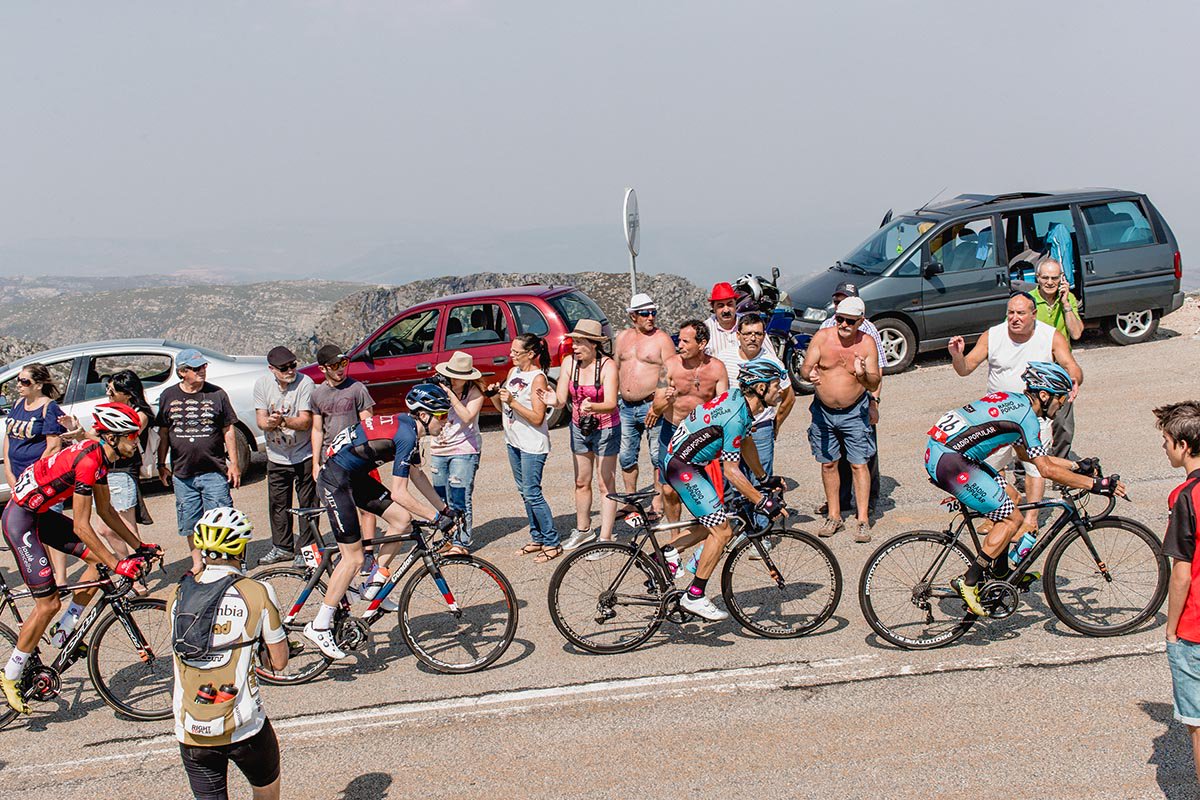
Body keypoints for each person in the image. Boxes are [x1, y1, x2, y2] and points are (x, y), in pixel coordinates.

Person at [926, 362, 1123, 616]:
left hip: (949, 454)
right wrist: (1096, 484)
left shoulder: (1015, 403)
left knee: (1013, 497)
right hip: (951, 461)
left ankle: (999, 571)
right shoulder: (1026, 418)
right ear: (1044, 395)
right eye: (1060, 400)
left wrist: (1076, 465)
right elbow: (1046, 471)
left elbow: (1028, 455)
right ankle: (969, 581)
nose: (1061, 406)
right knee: (1012, 518)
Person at [0, 403, 153, 714]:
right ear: (112, 437)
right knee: (49, 603)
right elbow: (83, 526)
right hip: (21, 520)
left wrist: (140, 546)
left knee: (97, 564)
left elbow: (107, 512)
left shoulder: (101, 458)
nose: (136, 441)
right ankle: (11, 675)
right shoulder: (88, 461)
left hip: (40, 515)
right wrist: (118, 562)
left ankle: (64, 631)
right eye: (132, 436)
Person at [306, 385, 456, 659]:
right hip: (336, 481)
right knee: (351, 559)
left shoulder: (409, 428)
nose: (445, 421)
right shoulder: (407, 434)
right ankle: (320, 624)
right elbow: (399, 492)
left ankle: (374, 582)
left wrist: (444, 509)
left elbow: (417, 476)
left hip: (353, 476)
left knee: (401, 519)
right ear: (424, 415)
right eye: (442, 415)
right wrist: (435, 518)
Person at [171, 507, 289, 800]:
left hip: (192, 731)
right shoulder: (257, 591)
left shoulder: (177, 594)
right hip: (244, 728)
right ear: (240, 547)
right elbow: (279, 661)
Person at [661, 358, 787, 621]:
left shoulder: (738, 401)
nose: (781, 390)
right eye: (776, 384)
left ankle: (666, 553)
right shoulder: (735, 416)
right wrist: (763, 502)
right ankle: (694, 595)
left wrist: (763, 479)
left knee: (714, 522)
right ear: (760, 389)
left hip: (688, 463)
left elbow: (746, 442)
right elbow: (731, 470)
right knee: (722, 530)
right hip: (682, 467)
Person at [948, 292, 1082, 536]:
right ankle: (1001, 508)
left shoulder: (1049, 335)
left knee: (1035, 467)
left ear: (1033, 314)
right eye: (1010, 313)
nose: (1014, 318)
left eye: (1021, 313)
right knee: (990, 464)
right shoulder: (993, 335)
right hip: (997, 416)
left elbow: (1069, 363)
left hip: (1034, 415)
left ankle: (1031, 520)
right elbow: (965, 369)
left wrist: (1074, 379)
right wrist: (958, 355)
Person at [62, 372, 155, 600]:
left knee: (124, 525)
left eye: (112, 390)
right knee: (106, 526)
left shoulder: (139, 415)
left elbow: (111, 441)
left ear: (127, 393)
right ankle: (130, 571)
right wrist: (79, 432)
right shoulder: (110, 411)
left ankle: (136, 576)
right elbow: (95, 438)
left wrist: (85, 435)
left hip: (122, 472)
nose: (108, 394)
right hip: (104, 470)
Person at [802, 297, 882, 542]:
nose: (844, 324)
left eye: (850, 321)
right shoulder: (823, 338)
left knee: (859, 464)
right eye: (840, 319)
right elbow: (805, 367)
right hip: (823, 411)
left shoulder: (866, 343)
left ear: (861, 321)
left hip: (854, 412)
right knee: (828, 463)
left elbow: (875, 381)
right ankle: (834, 515)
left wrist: (861, 375)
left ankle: (862, 519)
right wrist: (810, 373)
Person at [157, 349, 242, 575]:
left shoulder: (217, 394)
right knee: (189, 520)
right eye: (196, 368)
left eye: (203, 367)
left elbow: (228, 430)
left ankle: (225, 561)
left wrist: (234, 463)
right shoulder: (168, 396)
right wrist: (161, 464)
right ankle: (198, 563)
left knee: (221, 518)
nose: (202, 371)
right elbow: (164, 433)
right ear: (183, 372)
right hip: (183, 473)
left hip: (214, 470)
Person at [539, 320, 619, 553]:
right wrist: (551, 400)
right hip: (579, 428)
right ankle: (583, 530)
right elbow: (562, 399)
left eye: (580, 342)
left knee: (606, 484)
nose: (575, 347)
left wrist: (593, 407)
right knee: (581, 482)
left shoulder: (607, 366)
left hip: (606, 427)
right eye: (574, 342)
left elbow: (612, 404)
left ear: (594, 344)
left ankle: (606, 538)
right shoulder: (568, 364)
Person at [488, 334, 561, 561]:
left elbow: (538, 418)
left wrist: (512, 401)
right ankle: (537, 536)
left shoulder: (538, 379)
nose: (511, 356)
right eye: (511, 351)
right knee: (524, 493)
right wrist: (493, 396)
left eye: (516, 352)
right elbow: (502, 406)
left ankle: (552, 541)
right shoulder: (513, 373)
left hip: (532, 443)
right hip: (514, 441)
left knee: (532, 492)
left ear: (530, 354)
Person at [1158, 400, 1200, 783]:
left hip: (1195, 627)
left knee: (1199, 725)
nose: (1165, 448)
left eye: (1167, 440)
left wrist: (1171, 629)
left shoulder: (1185, 496)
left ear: (1184, 446)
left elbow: (1182, 572)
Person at [817, 282, 885, 515]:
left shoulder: (869, 332)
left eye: (844, 299)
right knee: (834, 458)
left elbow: (878, 371)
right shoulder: (826, 327)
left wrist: (874, 403)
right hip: (827, 409)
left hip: (858, 404)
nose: (843, 321)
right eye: (837, 301)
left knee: (864, 456)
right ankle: (841, 501)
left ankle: (869, 501)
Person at [651, 320, 728, 523]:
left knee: (706, 489)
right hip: (672, 431)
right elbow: (656, 407)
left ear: (701, 344)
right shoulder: (668, 366)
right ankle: (674, 538)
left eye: (685, 341)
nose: (680, 346)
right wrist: (665, 399)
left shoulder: (717, 369)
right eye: (679, 340)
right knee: (669, 490)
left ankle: (709, 533)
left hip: (702, 434)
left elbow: (724, 407)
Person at [310, 344, 377, 564]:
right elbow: (317, 429)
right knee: (339, 507)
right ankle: (349, 552)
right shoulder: (317, 394)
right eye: (335, 365)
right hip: (331, 459)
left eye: (344, 363)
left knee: (367, 506)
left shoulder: (357, 389)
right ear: (323, 369)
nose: (341, 369)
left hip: (358, 456)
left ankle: (368, 552)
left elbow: (369, 424)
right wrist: (315, 462)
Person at [2, 363, 66, 583]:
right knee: (32, 532)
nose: (19, 385)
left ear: (38, 384)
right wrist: (9, 472)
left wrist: (33, 477)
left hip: (40, 481)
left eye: (24, 381)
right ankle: (45, 577)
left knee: (52, 529)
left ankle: (61, 578)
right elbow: (9, 438)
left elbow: (53, 446)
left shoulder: (49, 408)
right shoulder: (19, 404)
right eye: (18, 381)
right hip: (18, 480)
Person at [713, 313, 795, 482]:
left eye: (758, 334)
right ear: (738, 335)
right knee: (734, 481)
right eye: (748, 334)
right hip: (732, 429)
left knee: (761, 482)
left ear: (764, 336)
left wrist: (775, 424)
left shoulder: (773, 362)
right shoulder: (723, 358)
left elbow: (789, 397)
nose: (752, 338)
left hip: (761, 429)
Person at [254, 346, 316, 567]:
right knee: (278, 504)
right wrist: (268, 423)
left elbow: (306, 421)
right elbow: (260, 419)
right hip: (276, 455)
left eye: (293, 365)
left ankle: (307, 550)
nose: (290, 370)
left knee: (307, 503)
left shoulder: (305, 383)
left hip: (304, 453)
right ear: (272, 369)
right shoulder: (262, 384)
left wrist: (281, 421)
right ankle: (282, 547)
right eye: (284, 368)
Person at [614, 293, 676, 509]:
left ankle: (657, 502)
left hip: (652, 404)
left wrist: (658, 406)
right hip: (626, 406)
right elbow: (617, 368)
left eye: (653, 313)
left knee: (657, 455)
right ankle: (631, 501)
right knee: (626, 455)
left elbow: (669, 373)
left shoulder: (662, 339)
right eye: (645, 313)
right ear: (633, 316)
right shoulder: (622, 337)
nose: (651, 317)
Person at [430, 351, 486, 556]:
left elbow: (467, 417)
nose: (452, 379)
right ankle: (447, 537)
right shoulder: (439, 390)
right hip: (439, 448)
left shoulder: (475, 392)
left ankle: (461, 541)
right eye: (450, 374)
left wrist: (450, 394)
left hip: (464, 449)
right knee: (440, 498)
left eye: (457, 375)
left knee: (460, 497)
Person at [1031, 257, 1084, 459]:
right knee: (1031, 421)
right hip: (1036, 369)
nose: (1050, 282)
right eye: (1046, 278)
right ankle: (1023, 473)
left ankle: (1060, 465)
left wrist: (1066, 304)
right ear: (1038, 278)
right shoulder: (1028, 301)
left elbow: (1077, 333)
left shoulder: (1067, 299)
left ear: (1061, 278)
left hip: (1060, 369)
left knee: (1063, 423)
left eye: (1054, 278)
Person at [704, 282, 781, 361]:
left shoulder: (751, 324)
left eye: (730, 304)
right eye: (720, 306)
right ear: (713, 307)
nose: (726, 310)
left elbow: (771, 357)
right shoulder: (705, 329)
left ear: (735, 304)